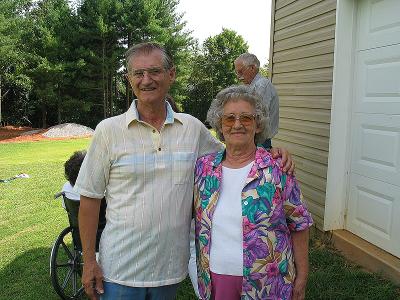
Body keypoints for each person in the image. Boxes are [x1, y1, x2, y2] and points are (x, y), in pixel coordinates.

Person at [74, 42, 295, 300]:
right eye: (138, 73)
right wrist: (89, 261)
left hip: (169, 271)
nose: (146, 80)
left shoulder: (191, 128)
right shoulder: (108, 131)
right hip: (119, 270)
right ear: (129, 79)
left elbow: (235, 153)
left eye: (155, 71)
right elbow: (89, 198)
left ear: (172, 74)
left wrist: (271, 155)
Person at [194, 85, 313, 300]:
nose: (237, 124)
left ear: (258, 125)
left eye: (246, 118)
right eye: (229, 118)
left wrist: (302, 276)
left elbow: (299, 223)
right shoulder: (204, 168)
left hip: (269, 281)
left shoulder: (277, 168)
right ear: (221, 125)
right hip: (216, 277)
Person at [234, 53, 279, 149]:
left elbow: (257, 115)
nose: (238, 76)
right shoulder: (253, 85)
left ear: (252, 68)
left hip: (260, 140)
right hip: (255, 137)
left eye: (241, 72)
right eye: (237, 72)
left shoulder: (262, 85)